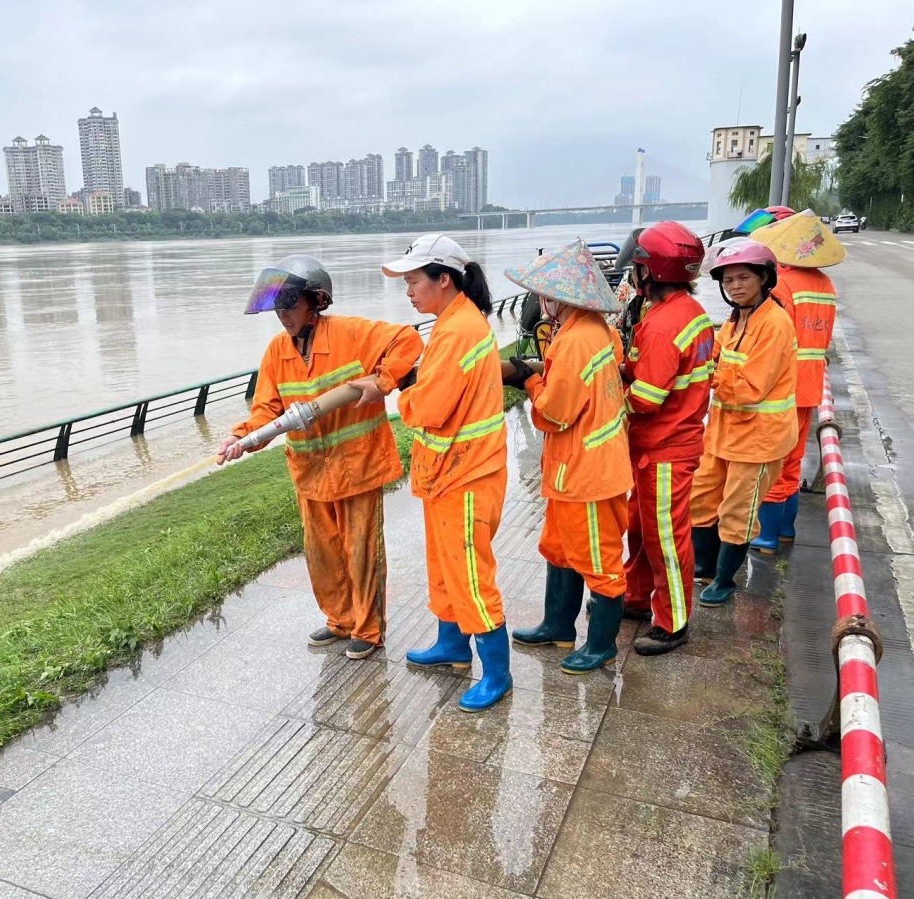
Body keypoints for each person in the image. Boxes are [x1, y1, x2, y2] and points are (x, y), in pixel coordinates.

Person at [218, 254, 423, 660]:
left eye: (289, 305)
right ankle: (339, 620)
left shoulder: (350, 333)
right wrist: (243, 437)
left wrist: (382, 380)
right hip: (311, 471)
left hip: (358, 464)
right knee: (323, 553)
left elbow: (407, 340)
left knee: (361, 551)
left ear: (317, 302)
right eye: (277, 307)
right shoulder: (277, 351)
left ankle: (367, 628)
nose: (282, 316)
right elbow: (267, 410)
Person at [383, 234, 512, 712]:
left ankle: (497, 673)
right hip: (450, 470)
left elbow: (430, 407)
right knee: (445, 565)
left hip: (467, 474)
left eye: (415, 281)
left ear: (444, 280)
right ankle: (453, 645)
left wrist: (405, 395)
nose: (409, 291)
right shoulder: (451, 322)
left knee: (470, 572)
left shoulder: (457, 330)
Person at [503, 240, 633, 674]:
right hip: (572, 471)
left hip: (588, 473)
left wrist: (529, 383)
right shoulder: (595, 330)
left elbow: (555, 413)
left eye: (543, 295)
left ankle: (601, 646)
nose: (539, 302)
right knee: (560, 549)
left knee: (598, 559)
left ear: (556, 299)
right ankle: (557, 625)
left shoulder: (577, 340)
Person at [620, 222, 715, 655]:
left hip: (664, 447)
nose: (632, 277)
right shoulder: (686, 313)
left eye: (636, 269)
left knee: (665, 536)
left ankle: (673, 621)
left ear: (651, 272)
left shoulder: (662, 325)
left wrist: (607, 398)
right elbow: (648, 370)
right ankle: (637, 597)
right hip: (664, 443)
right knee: (640, 530)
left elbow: (645, 398)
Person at [691, 240, 797, 606]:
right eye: (728, 280)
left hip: (759, 438)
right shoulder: (737, 319)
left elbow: (750, 387)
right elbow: (715, 357)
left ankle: (724, 580)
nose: (735, 285)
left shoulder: (775, 323)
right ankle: (703, 565)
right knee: (701, 496)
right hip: (722, 432)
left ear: (764, 278)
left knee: (739, 510)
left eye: (743, 277)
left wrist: (710, 375)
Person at [745, 211, 844, 551]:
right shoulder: (824, 284)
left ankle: (767, 534)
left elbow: (771, 335)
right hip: (811, 382)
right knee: (793, 458)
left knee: (772, 461)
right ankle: (785, 528)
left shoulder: (782, 283)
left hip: (782, 385)